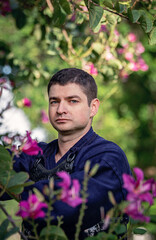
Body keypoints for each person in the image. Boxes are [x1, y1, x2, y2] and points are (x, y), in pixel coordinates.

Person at [1, 68, 131, 239]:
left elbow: (68, 204)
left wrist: (18, 188)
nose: (61, 109)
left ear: (93, 107)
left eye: (72, 101)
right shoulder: (36, 153)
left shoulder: (108, 157)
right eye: (54, 101)